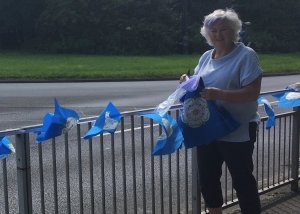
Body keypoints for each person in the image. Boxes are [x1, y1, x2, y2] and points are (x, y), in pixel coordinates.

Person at [179, 9, 262, 214]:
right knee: (207, 178)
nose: (218, 34)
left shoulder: (246, 56)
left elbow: (252, 93)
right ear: (207, 34)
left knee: (242, 180)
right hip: (209, 128)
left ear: (234, 31)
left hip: (238, 130)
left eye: (224, 29)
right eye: (213, 30)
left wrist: (220, 94)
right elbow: (199, 85)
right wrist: (187, 82)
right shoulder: (207, 56)